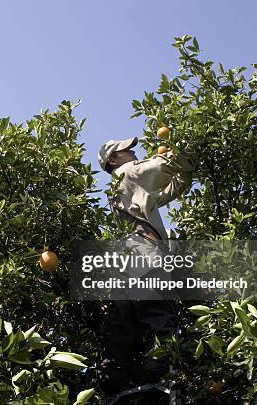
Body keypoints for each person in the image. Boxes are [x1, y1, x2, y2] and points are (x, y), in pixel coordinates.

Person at [96, 136, 197, 398]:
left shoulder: (120, 188)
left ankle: (114, 383)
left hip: (123, 264)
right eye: (125, 149)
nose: (132, 151)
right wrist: (191, 143)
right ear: (113, 159)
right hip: (144, 255)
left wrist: (185, 171)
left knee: (124, 326)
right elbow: (166, 165)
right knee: (158, 315)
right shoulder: (130, 171)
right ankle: (159, 377)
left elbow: (169, 189)